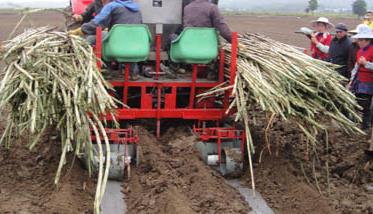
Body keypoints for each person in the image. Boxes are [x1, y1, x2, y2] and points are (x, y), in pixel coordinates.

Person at [69, 0, 142, 45]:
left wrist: (80, 30)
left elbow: (97, 23)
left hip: (117, 44)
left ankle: (96, 67)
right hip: (136, 45)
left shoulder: (111, 6)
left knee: (90, 39)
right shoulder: (137, 9)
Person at [348, 24, 373, 131]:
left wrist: (367, 63)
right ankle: (358, 124)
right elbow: (355, 67)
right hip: (359, 81)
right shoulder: (359, 51)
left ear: (366, 40)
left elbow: (364, 64)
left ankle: (366, 127)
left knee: (365, 105)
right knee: (357, 103)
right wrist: (351, 81)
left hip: (369, 82)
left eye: (360, 39)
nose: (358, 41)